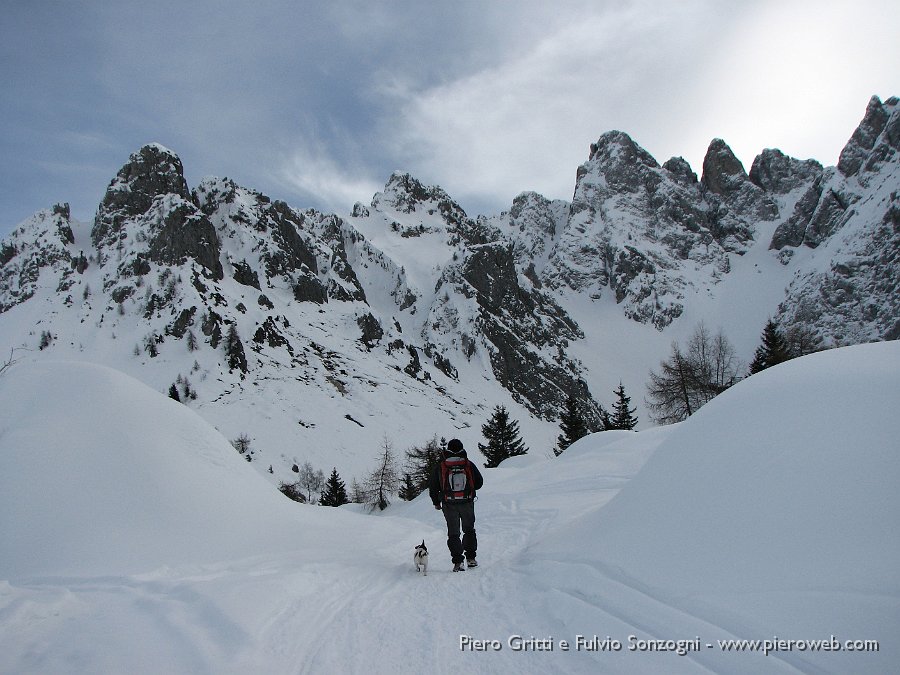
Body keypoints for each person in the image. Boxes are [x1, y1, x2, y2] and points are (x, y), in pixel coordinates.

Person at [429, 438, 484, 571]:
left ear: (448, 449)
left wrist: (436, 502)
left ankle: (458, 562)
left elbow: (433, 486)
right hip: (467, 502)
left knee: (453, 533)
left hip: (449, 503)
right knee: (469, 530)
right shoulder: (468, 464)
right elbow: (479, 482)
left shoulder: (441, 465)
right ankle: (471, 558)